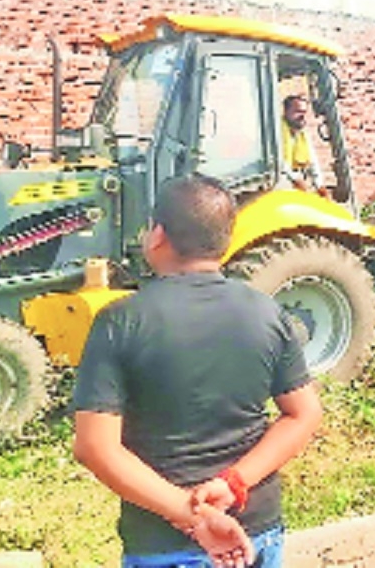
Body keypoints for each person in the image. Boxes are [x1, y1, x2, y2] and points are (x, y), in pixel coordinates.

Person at [73, 174, 324, 568]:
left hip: (164, 543)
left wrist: (191, 514)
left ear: (157, 235)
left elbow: (95, 447)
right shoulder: (266, 312)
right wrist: (233, 482)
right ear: (223, 243)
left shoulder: (120, 321)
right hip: (255, 535)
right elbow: (304, 413)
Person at [281, 95, 323, 191]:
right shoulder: (277, 133)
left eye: (304, 112)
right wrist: (296, 179)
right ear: (286, 112)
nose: (302, 116)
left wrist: (320, 186)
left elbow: (312, 161)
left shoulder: (302, 134)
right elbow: (278, 163)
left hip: (295, 182)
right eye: (297, 111)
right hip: (279, 182)